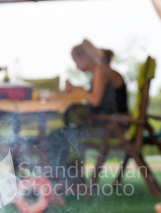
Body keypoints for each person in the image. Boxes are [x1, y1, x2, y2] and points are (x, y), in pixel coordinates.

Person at [46, 39, 128, 189]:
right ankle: (72, 181)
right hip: (109, 123)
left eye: (76, 61)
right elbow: (96, 96)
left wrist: (79, 91)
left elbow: (95, 100)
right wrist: (78, 89)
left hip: (111, 126)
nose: (76, 66)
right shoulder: (99, 70)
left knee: (59, 136)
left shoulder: (100, 70)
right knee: (62, 133)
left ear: (85, 57)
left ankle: (69, 182)